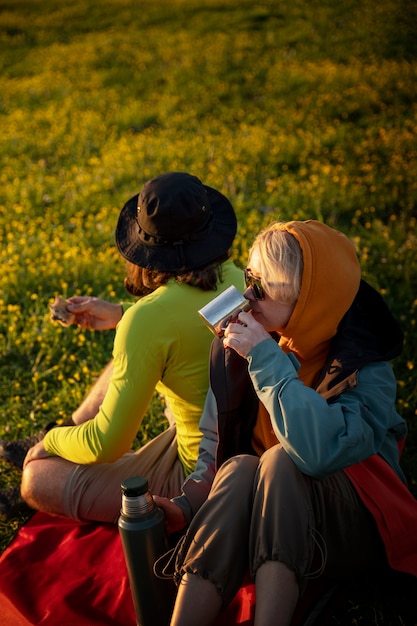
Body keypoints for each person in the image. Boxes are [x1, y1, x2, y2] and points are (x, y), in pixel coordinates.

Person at [154, 219, 417, 626]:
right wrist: (188, 505)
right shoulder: (254, 339)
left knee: (280, 461)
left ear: (310, 299)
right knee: (241, 467)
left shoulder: (366, 368)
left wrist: (266, 361)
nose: (247, 296)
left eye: (263, 289)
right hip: (270, 511)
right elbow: (216, 442)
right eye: (249, 277)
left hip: (360, 522)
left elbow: (317, 455)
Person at [0, 172, 244, 523]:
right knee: (131, 357)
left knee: (36, 477)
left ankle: (59, 435)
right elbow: (194, 321)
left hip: (199, 480)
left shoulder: (148, 321)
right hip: (241, 446)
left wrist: (52, 441)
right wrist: (120, 315)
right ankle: (71, 425)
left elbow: (107, 444)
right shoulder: (243, 279)